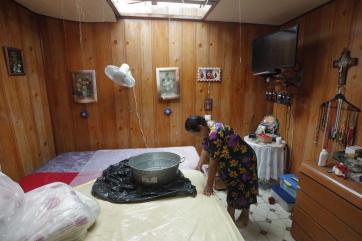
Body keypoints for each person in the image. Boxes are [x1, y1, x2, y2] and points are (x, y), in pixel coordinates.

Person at [185, 115, 258, 227]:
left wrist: (209, 186)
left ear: (201, 127)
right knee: (232, 188)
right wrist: (199, 164)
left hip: (244, 160)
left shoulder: (215, 134)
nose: (198, 136)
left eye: (197, 134)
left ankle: (243, 215)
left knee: (244, 188)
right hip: (231, 160)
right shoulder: (208, 127)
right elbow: (206, 146)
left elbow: (213, 164)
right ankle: (232, 215)